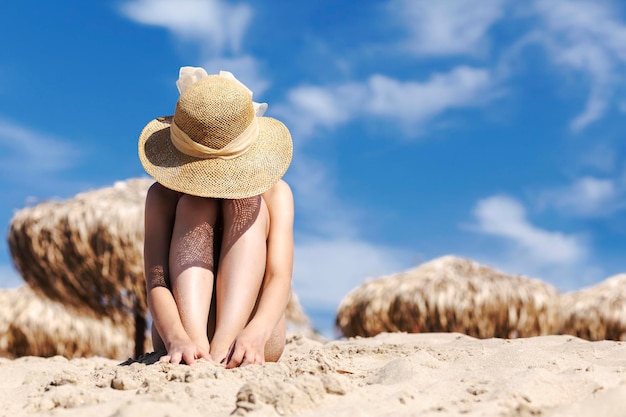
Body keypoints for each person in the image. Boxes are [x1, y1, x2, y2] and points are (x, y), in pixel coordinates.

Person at [137, 67, 294, 368]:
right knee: (193, 206)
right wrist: (176, 338)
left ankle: (225, 343)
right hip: (179, 333)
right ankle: (197, 344)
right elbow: (155, 281)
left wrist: (256, 333)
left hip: (254, 333)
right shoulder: (162, 197)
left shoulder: (276, 193)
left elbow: (279, 276)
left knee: (248, 203)